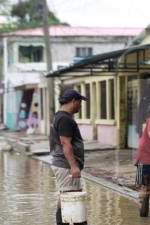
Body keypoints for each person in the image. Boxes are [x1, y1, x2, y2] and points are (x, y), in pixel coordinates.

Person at [50, 89, 88, 225]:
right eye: (79, 102)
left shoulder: (60, 116)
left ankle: (62, 222)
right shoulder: (65, 118)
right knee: (72, 195)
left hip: (61, 163)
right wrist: (73, 166)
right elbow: (65, 143)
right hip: (65, 165)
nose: (80, 105)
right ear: (73, 101)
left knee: (65, 195)